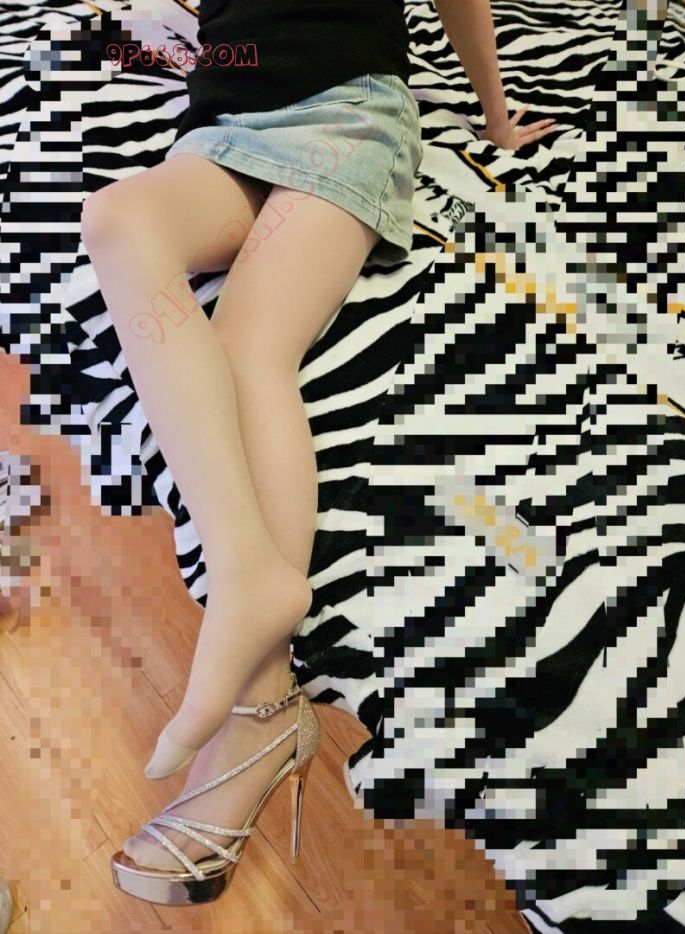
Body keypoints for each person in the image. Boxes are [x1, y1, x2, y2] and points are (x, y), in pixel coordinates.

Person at [80, 0, 558, 905]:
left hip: (347, 114)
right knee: (113, 218)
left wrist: (494, 118)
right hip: (223, 130)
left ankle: (259, 706)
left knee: (249, 349)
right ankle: (249, 572)